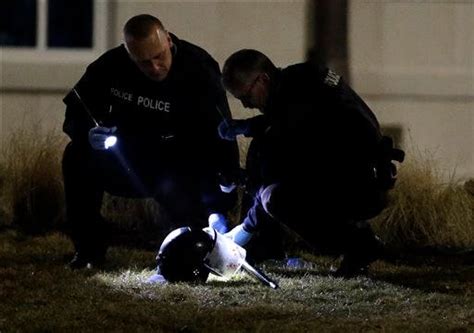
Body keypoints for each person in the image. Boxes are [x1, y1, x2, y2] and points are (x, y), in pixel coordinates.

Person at [62, 14, 240, 269]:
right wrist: (88, 133)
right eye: (143, 62)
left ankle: (191, 251)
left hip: (177, 165)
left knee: (193, 236)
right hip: (125, 159)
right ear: (129, 53)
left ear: (168, 40)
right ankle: (88, 250)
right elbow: (76, 111)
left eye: (159, 56)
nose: (155, 67)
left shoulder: (197, 67)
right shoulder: (110, 66)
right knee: (76, 155)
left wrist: (221, 198)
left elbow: (220, 131)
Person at [219, 49, 404, 277]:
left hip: (359, 185)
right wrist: (246, 127)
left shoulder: (299, 101)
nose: (246, 104)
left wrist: (246, 228)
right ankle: (356, 242)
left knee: (275, 198)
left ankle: (359, 245)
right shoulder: (302, 80)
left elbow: (279, 164)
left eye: (246, 96)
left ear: (263, 80)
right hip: (360, 176)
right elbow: (287, 119)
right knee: (267, 166)